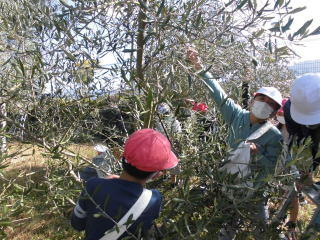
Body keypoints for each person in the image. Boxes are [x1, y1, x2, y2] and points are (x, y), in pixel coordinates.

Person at [187, 47, 283, 239]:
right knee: (227, 228)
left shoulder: (274, 135)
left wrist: (258, 155)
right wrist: (198, 65)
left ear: (274, 112)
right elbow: (218, 92)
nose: (265, 103)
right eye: (261, 98)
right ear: (253, 100)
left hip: (255, 191)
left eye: (270, 103)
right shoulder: (237, 116)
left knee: (261, 229)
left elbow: (274, 167)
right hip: (230, 185)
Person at [71, 129, 179, 240]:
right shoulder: (155, 200)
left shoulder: (93, 186)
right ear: (157, 175)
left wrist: (104, 183)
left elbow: (77, 224)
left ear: (122, 157)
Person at [282, 73, 320, 237]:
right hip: (303, 142)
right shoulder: (289, 109)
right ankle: (292, 223)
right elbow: (297, 138)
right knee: (296, 182)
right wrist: (306, 169)